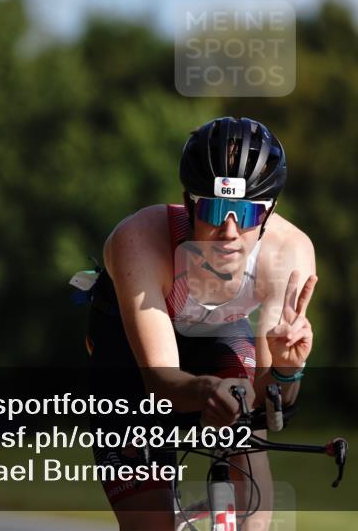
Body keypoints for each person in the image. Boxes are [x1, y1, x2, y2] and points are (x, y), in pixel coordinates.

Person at [84, 116, 317, 530]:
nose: (229, 232)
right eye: (215, 209)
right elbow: (160, 382)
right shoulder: (139, 239)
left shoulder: (288, 254)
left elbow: (270, 406)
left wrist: (286, 369)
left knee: (249, 456)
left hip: (218, 334)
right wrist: (207, 390)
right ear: (189, 204)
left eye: (247, 213)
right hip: (127, 349)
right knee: (150, 526)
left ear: (269, 213)